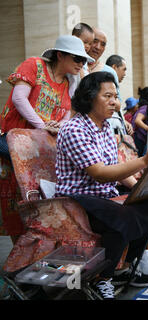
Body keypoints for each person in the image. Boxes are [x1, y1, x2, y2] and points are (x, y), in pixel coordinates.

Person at [56, 71, 148, 299]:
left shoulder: (105, 127)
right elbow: (100, 173)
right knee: (121, 219)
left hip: (104, 196)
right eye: (107, 96)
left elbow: (115, 167)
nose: (114, 102)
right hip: (77, 200)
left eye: (115, 96)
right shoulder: (74, 129)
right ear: (89, 97)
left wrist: (140, 188)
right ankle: (102, 279)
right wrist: (144, 161)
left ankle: (125, 267)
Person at [0, 35, 94, 241]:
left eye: (84, 60)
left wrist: (56, 126)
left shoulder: (70, 82)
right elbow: (18, 98)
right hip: (11, 141)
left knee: (33, 197)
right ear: (60, 55)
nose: (81, 64)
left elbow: (64, 116)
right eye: (77, 59)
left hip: (39, 147)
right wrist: (42, 126)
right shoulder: (34, 65)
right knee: (15, 197)